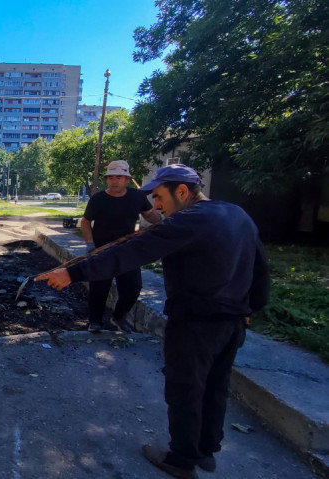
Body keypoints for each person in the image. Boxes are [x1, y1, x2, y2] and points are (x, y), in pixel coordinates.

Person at [37, 164, 270, 479]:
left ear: (182, 191)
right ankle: (206, 451)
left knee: (185, 387)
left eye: (160, 197)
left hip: (194, 324)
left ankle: (181, 460)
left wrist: (72, 273)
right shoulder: (237, 215)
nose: (157, 206)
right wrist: (252, 307)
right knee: (216, 386)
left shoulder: (187, 221)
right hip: (232, 324)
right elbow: (260, 267)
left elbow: (131, 252)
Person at [80, 160, 162, 333]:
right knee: (99, 288)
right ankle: (94, 321)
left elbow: (150, 215)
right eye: (111, 177)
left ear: (127, 179)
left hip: (128, 251)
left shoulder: (137, 197)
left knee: (133, 287)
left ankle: (118, 317)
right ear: (106, 180)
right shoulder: (98, 199)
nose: (114, 180)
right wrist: (89, 244)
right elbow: (86, 222)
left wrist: (161, 220)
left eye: (119, 177)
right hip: (102, 251)